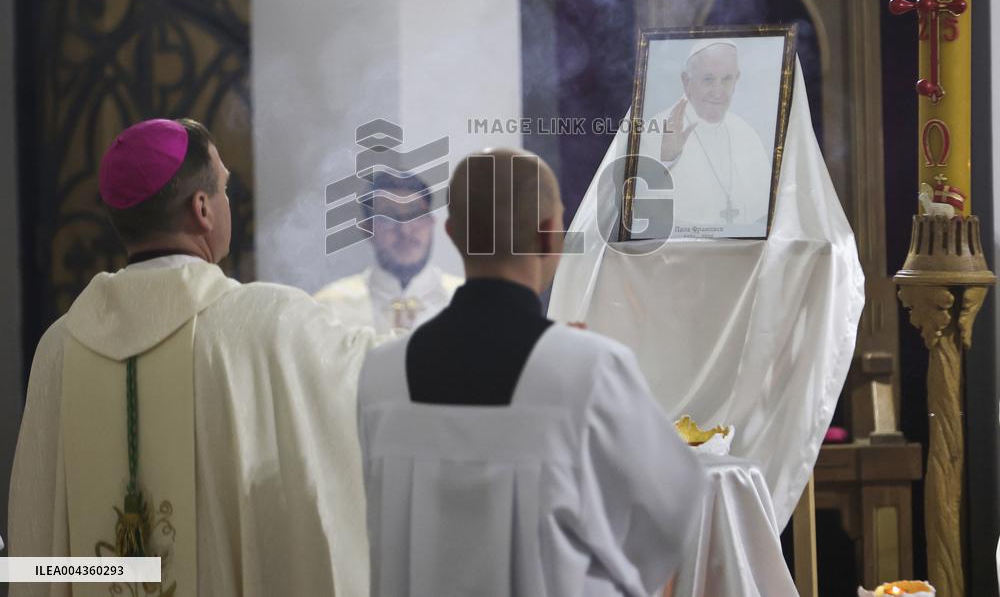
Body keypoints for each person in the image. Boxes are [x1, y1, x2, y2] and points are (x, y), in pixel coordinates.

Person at [9, 118, 381, 597]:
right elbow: (381, 382)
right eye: (224, 188)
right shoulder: (264, 324)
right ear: (202, 208)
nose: (228, 201)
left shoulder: (59, 347)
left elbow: (36, 545)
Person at [357, 148, 707, 596]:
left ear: (451, 235)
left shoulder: (381, 377)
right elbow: (670, 516)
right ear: (549, 237)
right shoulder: (590, 369)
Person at [315, 172, 461, 333]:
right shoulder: (329, 310)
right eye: (388, 217)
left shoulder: (471, 303)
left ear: (431, 222)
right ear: (368, 229)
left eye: (415, 214)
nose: (405, 230)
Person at [647, 41, 771, 229]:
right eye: (708, 79)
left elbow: (765, 214)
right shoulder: (654, 131)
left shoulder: (747, 134)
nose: (718, 91)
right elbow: (641, 218)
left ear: (737, 80)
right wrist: (666, 160)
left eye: (727, 79)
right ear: (686, 81)